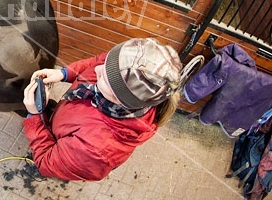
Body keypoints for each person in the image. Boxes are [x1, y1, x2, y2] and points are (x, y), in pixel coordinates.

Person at [22, 37, 183, 181]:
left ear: (118, 98)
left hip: (68, 147)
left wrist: (35, 117)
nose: (98, 69)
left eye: (105, 78)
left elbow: (45, 162)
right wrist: (64, 73)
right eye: (107, 66)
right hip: (65, 125)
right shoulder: (128, 66)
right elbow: (99, 61)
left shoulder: (96, 151)